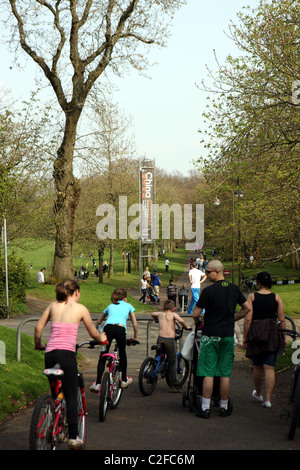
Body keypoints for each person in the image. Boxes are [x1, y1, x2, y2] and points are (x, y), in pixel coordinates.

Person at [34, 279, 107, 449]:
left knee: (55, 394)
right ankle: (73, 437)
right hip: (66, 355)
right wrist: (101, 339)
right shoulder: (80, 309)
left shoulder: (52, 306)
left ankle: (54, 424)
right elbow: (93, 332)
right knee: (71, 394)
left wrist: (38, 344)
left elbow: (38, 327)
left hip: (50, 354)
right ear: (75, 292)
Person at [192, 260, 251, 418]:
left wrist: (198, 323)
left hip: (211, 335)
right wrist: (233, 318)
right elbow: (247, 308)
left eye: (208, 272)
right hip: (227, 335)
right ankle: (224, 407)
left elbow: (195, 314)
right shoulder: (234, 289)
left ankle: (205, 408)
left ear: (217, 271)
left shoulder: (208, 291)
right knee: (225, 373)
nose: (206, 274)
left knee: (208, 373)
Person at [243, 271, 286, 409]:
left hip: (256, 331)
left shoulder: (252, 297)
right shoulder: (277, 297)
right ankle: (267, 399)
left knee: (257, 366)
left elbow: (248, 318)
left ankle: (259, 393)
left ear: (258, 283)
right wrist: (283, 337)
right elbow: (281, 319)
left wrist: (245, 336)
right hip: (272, 332)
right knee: (269, 366)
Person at [91, 288, 138, 392]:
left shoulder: (110, 306)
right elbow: (135, 324)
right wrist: (135, 337)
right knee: (122, 353)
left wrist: (97, 330)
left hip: (108, 328)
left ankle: (98, 383)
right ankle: (124, 380)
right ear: (125, 298)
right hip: (120, 329)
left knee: (103, 355)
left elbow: (99, 321)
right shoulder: (129, 306)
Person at [151, 300, 192, 391]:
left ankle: (151, 374)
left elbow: (152, 314)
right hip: (169, 340)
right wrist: (186, 327)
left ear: (163, 308)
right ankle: (174, 383)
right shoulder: (173, 315)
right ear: (173, 309)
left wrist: (157, 318)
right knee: (172, 361)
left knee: (158, 357)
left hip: (160, 338)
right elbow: (182, 321)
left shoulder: (160, 314)